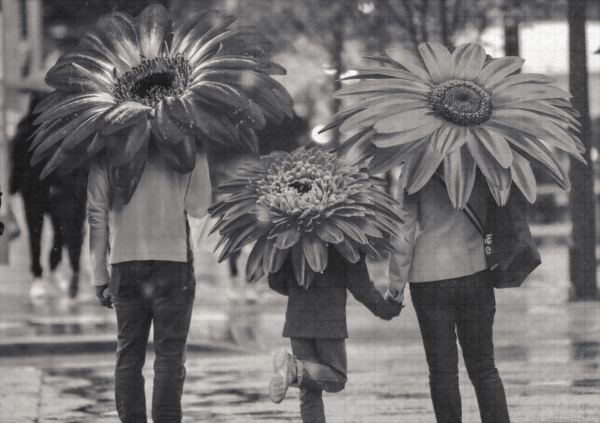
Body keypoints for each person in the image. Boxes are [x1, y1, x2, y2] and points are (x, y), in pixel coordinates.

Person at [88, 138, 211, 423]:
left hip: (124, 262)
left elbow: (96, 213)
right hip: (173, 263)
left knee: (129, 355)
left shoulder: (107, 142)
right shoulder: (187, 141)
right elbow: (198, 207)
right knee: (170, 357)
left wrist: (98, 273)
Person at [387, 171, 511, 423]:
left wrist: (395, 286)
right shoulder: (483, 159)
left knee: (442, 372)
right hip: (475, 269)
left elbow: (403, 228)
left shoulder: (415, 167)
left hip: (429, 276)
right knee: (484, 368)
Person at [267, 244, 404, 423]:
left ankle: (295, 370)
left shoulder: (290, 238)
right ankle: (295, 369)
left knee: (309, 394)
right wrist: (388, 309)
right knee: (337, 378)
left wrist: (298, 289)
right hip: (329, 322)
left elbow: (275, 281)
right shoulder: (346, 240)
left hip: (298, 321)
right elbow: (361, 289)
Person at [10, 91, 88, 299]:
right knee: (58, 232)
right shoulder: (53, 129)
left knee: (37, 235)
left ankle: (40, 274)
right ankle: (49, 268)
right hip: (51, 190)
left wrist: (12, 190)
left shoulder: (24, 130)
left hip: (33, 191)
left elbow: (16, 164)